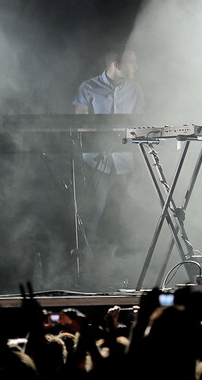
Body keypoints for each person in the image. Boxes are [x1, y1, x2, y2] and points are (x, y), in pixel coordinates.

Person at [72, 48, 145, 259]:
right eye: (131, 62)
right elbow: (79, 122)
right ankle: (86, 262)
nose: (136, 67)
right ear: (116, 64)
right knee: (95, 210)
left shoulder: (136, 89)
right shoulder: (88, 87)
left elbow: (138, 123)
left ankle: (115, 264)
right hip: (97, 160)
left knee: (121, 213)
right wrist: (97, 136)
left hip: (125, 161)